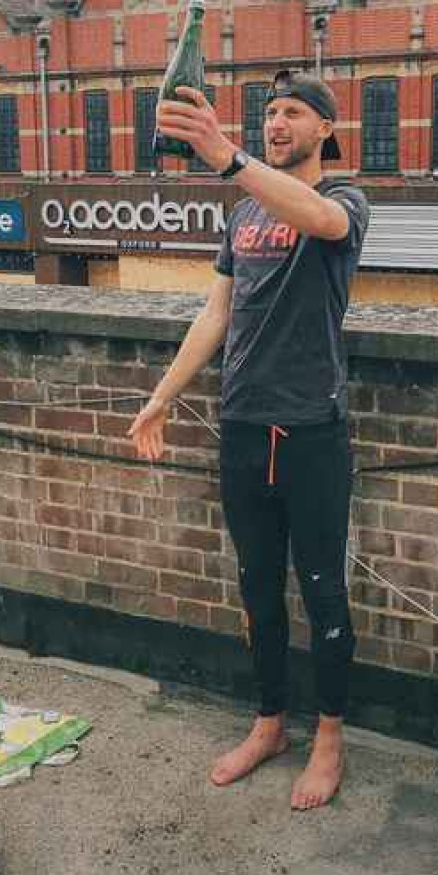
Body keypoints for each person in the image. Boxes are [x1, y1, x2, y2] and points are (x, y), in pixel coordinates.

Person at [128, 70, 369, 811]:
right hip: (241, 426)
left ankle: (329, 738)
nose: (276, 123)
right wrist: (162, 398)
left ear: (326, 127)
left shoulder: (346, 203)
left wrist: (228, 156)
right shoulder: (242, 220)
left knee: (324, 592)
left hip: (312, 432)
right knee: (257, 590)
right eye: (268, 113)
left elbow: (320, 221)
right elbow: (216, 315)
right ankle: (270, 723)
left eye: (292, 113)